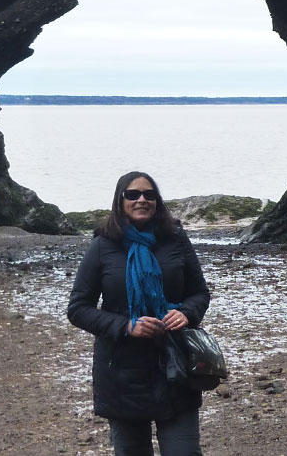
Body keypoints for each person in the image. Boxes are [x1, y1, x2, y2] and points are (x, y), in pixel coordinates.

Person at [67, 171, 210, 456]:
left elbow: (200, 293)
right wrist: (125, 325)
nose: (142, 199)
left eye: (149, 194)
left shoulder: (175, 239)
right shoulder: (102, 246)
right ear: (120, 202)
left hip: (175, 364)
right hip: (121, 373)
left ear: (157, 200)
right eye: (133, 194)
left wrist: (186, 313)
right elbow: (78, 308)